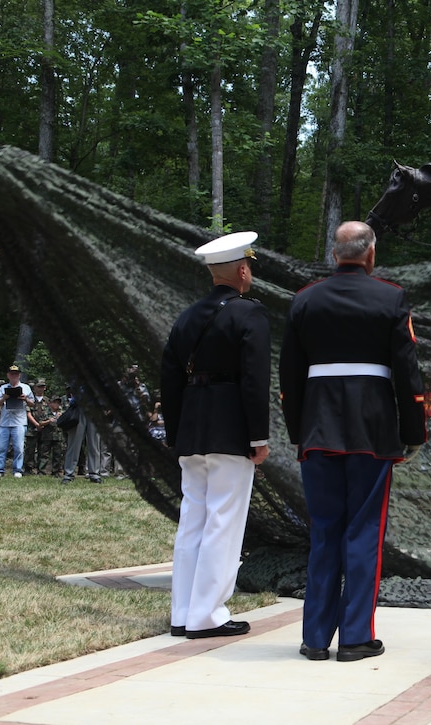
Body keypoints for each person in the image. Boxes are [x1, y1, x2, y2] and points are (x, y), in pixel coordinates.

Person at [279, 221, 426, 662]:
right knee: (363, 532)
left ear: (335, 253)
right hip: (372, 432)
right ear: (371, 253)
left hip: (318, 432)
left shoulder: (304, 300)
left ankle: (316, 638)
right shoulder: (390, 297)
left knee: (324, 532)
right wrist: (413, 431)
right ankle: (357, 636)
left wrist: (297, 431)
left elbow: (289, 376)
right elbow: (407, 372)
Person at [161, 231, 271, 640]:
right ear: (243, 270)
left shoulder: (186, 316)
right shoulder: (250, 314)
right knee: (224, 521)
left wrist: (177, 433)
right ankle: (207, 615)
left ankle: (184, 611)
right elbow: (255, 381)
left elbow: (169, 380)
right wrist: (258, 436)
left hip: (192, 430)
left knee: (193, 520)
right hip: (230, 431)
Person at [0, 364, 35, 478]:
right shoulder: (3, 388)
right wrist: (4, 397)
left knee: (19, 447)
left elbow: (32, 403)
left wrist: (25, 398)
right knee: (1, 447)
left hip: (19, 421)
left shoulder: (26, 388)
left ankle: (18, 470)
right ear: (8, 375)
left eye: (16, 374)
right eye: (12, 374)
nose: (14, 376)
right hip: (5, 422)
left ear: (19, 375)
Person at [60, 384, 104, 484]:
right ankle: (69, 474)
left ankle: (94, 473)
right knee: (74, 443)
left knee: (94, 443)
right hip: (78, 409)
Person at [37, 394, 66, 475]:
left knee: (57, 455)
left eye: (58, 403)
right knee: (44, 455)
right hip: (47, 436)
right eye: (54, 402)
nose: (56, 404)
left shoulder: (62, 412)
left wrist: (61, 418)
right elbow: (40, 423)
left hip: (58, 436)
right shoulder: (45, 411)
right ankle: (41, 471)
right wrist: (49, 421)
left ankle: (56, 471)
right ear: (50, 403)